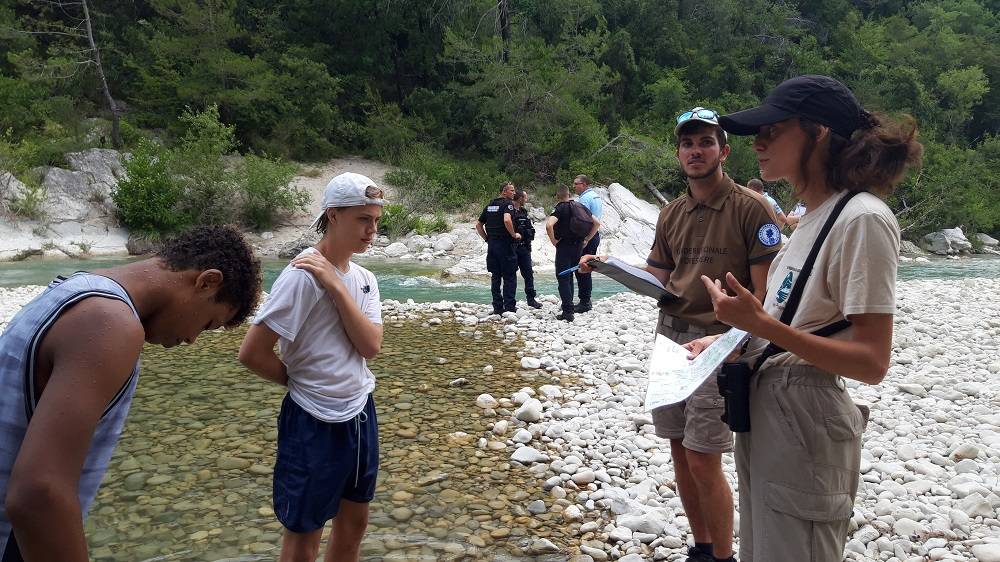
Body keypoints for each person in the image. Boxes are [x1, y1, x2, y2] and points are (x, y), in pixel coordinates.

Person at [689, 75, 922, 562]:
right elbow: (798, 324)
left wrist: (761, 327)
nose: (759, 142)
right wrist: (728, 340)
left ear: (818, 133)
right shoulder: (810, 220)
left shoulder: (862, 219)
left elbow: (871, 362)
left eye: (773, 130)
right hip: (773, 415)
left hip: (807, 419)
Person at [582, 106, 782, 562]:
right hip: (670, 338)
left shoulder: (751, 209)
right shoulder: (670, 214)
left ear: (724, 151)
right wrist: (612, 268)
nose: (696, 151)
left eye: (705, 142)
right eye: (688, 144)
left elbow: (765, 292)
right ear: (678, 153)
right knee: (678, 452)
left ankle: (724, 557)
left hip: (719, 341)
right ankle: (702, 547)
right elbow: (658, 278)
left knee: (703, 457)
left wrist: (736, 338)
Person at [0, 225, 262, 561]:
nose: (191, 339)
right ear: (206, 281)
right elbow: (38, 495)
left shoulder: (78, 289)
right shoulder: (110, 323)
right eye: (206, 324)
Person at [239, 172, 386, 562]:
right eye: (362, 220)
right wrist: (295, 381)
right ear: (333, 216)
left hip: (359, 413)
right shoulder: (301, 276)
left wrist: (337, 288)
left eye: (375, 221)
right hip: (312, 419)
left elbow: (370, 346)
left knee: (354, 524)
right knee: (305, 533)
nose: (371, 231)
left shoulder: (365, 278)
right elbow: (252, 352)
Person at [547, 185, 600, 322]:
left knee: (564, 277)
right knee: (579, 273)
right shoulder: (580, 206)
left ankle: (568, 311)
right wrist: (587, 239)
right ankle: (584, 302)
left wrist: (554, 241)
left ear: (557, 196)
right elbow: (597, 223)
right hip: (579, 246)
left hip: (564, 247)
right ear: (569, 194)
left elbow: (549, 225)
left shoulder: (560, 208)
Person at [475, 182, 522, 315]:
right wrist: (514, 234)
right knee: (509, 276)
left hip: (493, 245)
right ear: (504, 192)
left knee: (496, 276)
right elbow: (507, 220)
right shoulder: (508, 204)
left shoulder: (490, 205)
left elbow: (479, 224)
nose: (514, 193)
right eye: (512, 190)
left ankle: (497, 306)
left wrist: (486, 239)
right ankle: (509, 306)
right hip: (506, 245)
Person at [572, 174, 604, 313]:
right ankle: (586, 300)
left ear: (584, 184)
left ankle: (584, 302)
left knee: (582, 269)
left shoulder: (584, 198)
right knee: (587, 267)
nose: (574, 186)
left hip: (586, 237)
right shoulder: (595, 196)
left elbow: (582, 220)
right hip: (594, 235)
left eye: (576, 183)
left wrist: (584, 238)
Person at [512, 188, 542, 309]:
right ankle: (510, 302)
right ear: (520, 198)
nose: (526, 199)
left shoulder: (524, 211)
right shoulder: (509, 211)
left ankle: (531, 299)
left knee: (528, 274)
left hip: (525, 247)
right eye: (525, 197)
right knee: (510, 275)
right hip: (513, 248)